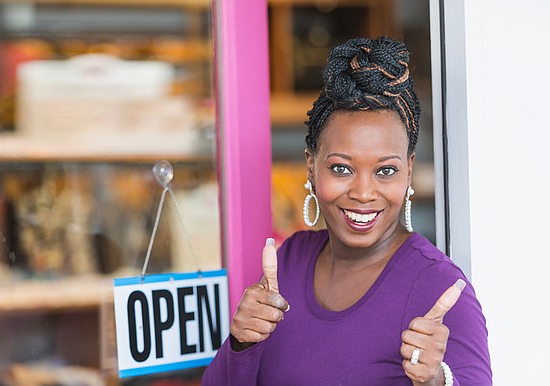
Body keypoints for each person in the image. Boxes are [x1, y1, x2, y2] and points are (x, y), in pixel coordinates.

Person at [202, 36, 492, 385]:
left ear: (409, 170)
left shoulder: (438, 288)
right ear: (311, 166)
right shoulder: (289, 261)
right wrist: (241, 341)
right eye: (341, 168)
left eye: (385, 171)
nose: (364, 193)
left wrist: (436, 381)